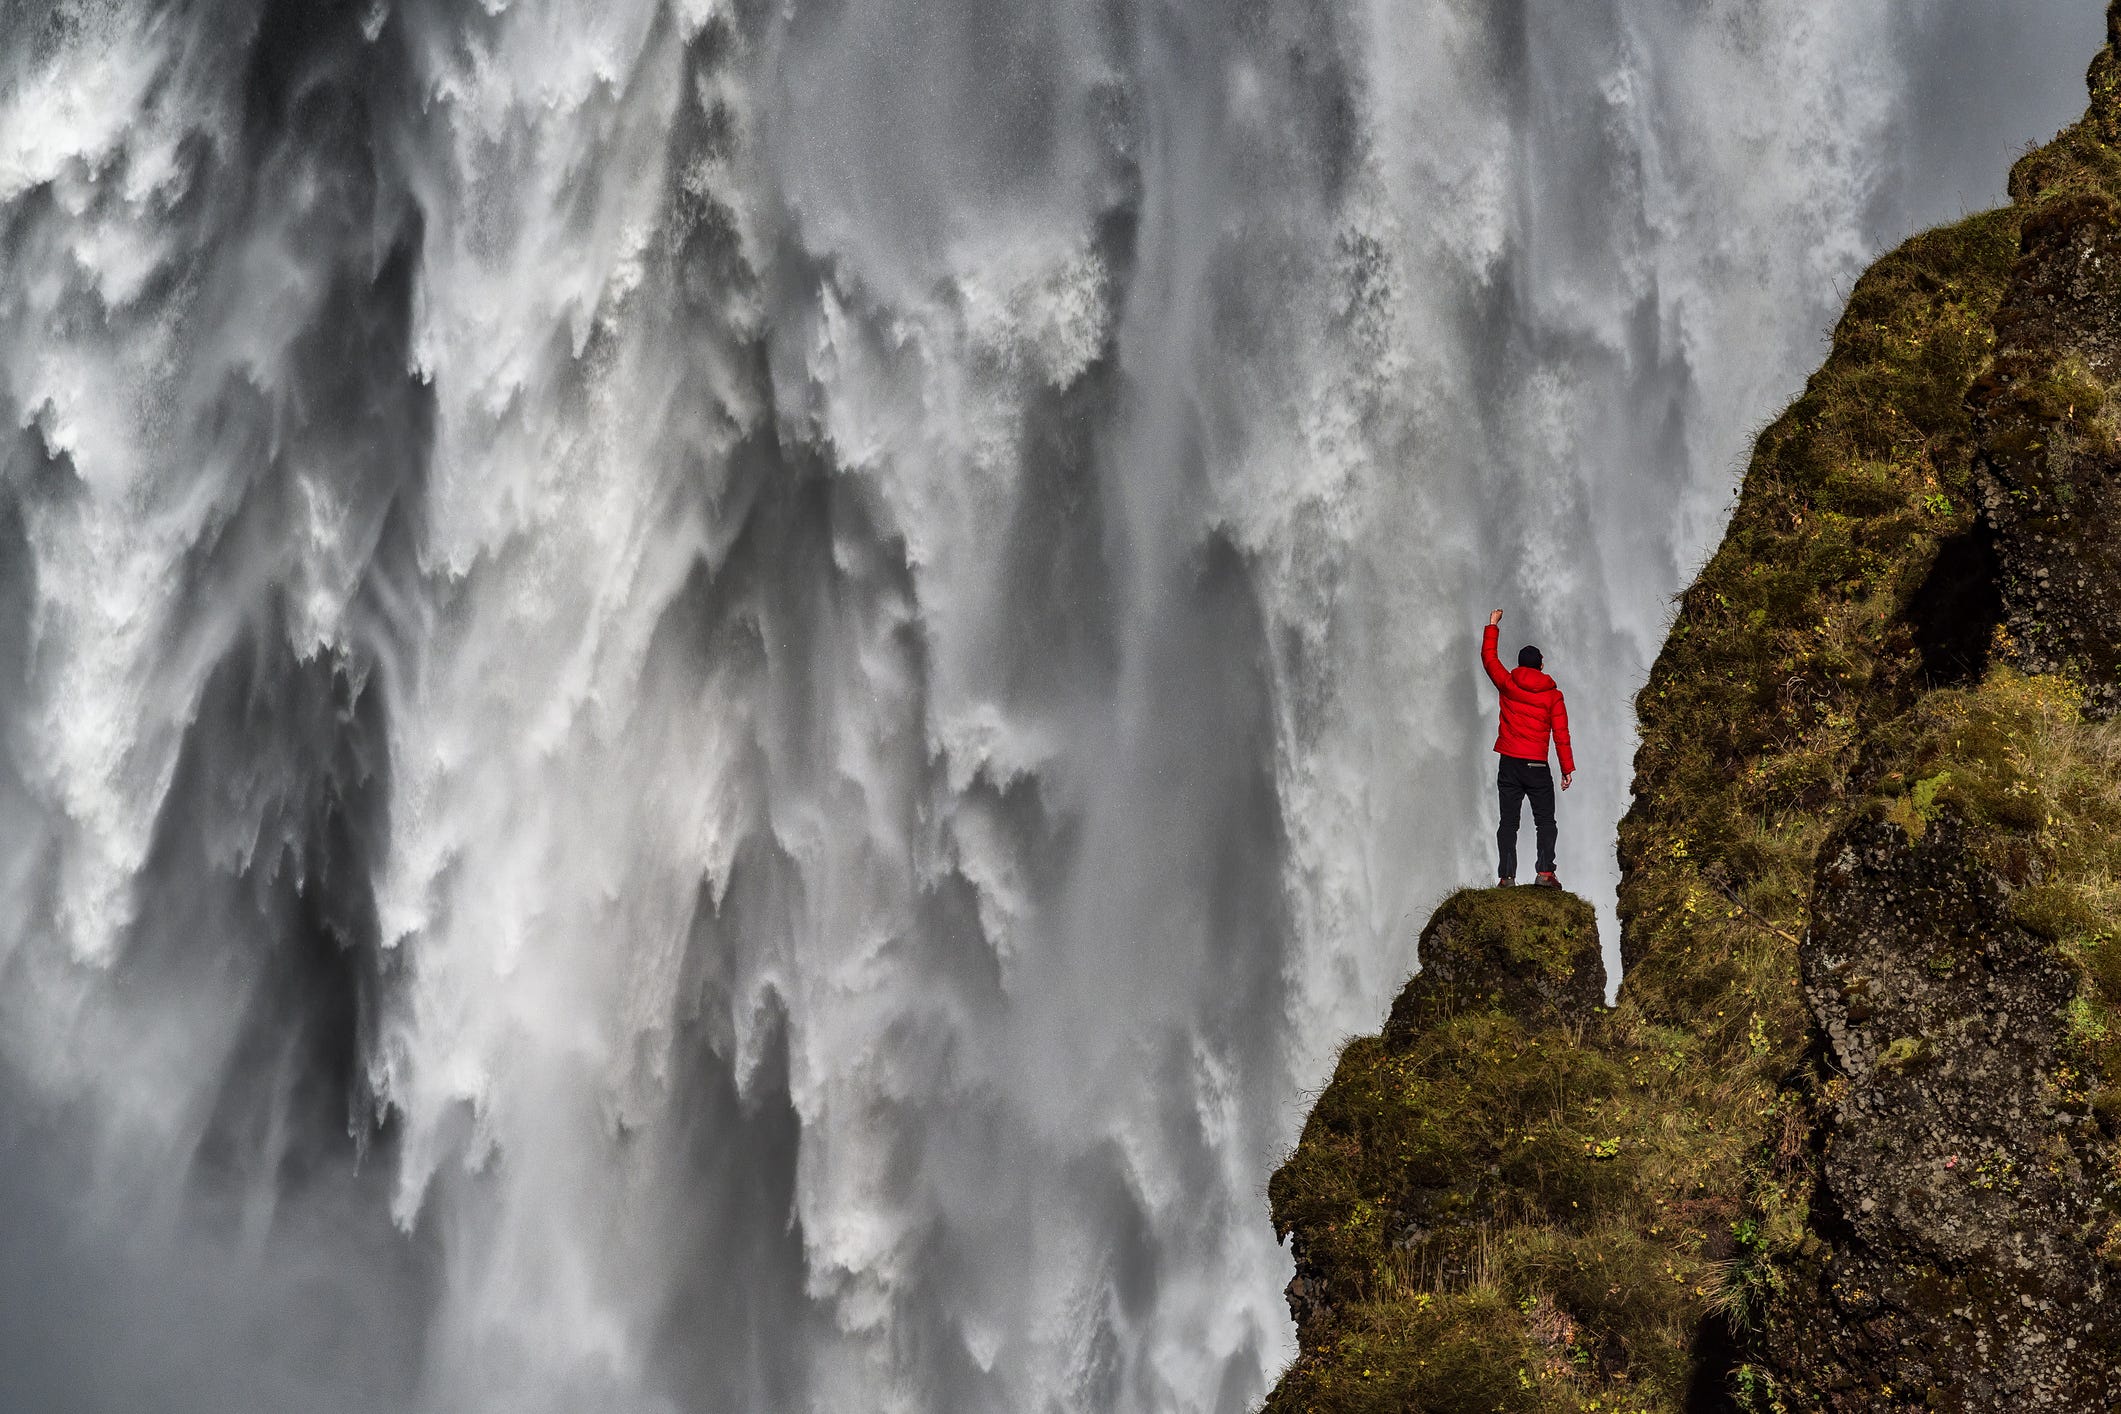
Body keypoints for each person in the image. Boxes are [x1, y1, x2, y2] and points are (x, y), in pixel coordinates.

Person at [1482, 609, 1574, 888]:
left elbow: (1489, 659)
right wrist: (1567, 768)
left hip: (1510, 762)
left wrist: (1492, 625)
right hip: (1536, 765)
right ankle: (1545, 873)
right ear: (1541, 667)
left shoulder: (1508, 684)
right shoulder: (1553, 696)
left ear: (1521, 665)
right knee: (1545, 820)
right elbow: (1561, 734)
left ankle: (1506, 877)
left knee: (1508, 823)